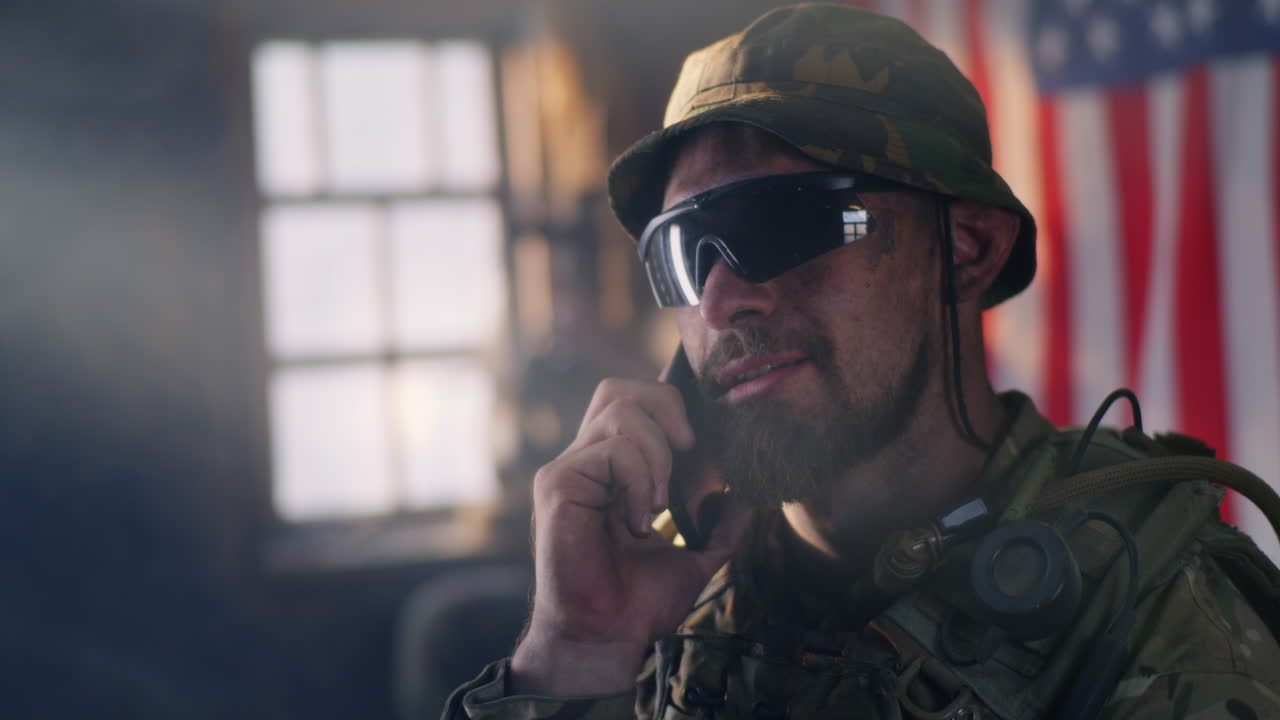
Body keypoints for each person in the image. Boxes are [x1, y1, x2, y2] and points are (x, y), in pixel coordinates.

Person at [444, 5, 1280, 719]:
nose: (721, 299)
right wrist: (577, 656)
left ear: (966, 247)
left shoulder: (1151, 607)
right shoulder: (676, 599)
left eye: (787, 222)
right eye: (684, 252)